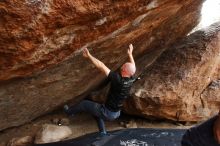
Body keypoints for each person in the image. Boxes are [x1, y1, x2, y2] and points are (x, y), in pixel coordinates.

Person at [63, 44, 136, 137]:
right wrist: (130, 54)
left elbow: (101, 66)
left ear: (124, 70)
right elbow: (133, 66)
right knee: (96, 111)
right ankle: (102, 132)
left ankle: (69, 112)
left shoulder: (118, 80)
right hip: (116, 112)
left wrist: (89, 56)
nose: (122, 66)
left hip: (108, 112)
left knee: (84, 104)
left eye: (123, 66)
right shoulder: (131, 79)